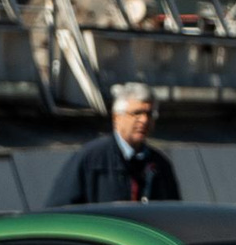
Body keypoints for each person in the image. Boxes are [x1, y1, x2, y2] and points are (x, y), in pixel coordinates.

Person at [49, 84, 181, 207]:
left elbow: (173, 216)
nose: (144, 120)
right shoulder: (91, 159)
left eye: (149, 114)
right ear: (117, 118)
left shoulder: (159, 165)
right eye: (136, 113)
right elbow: (61, 210)